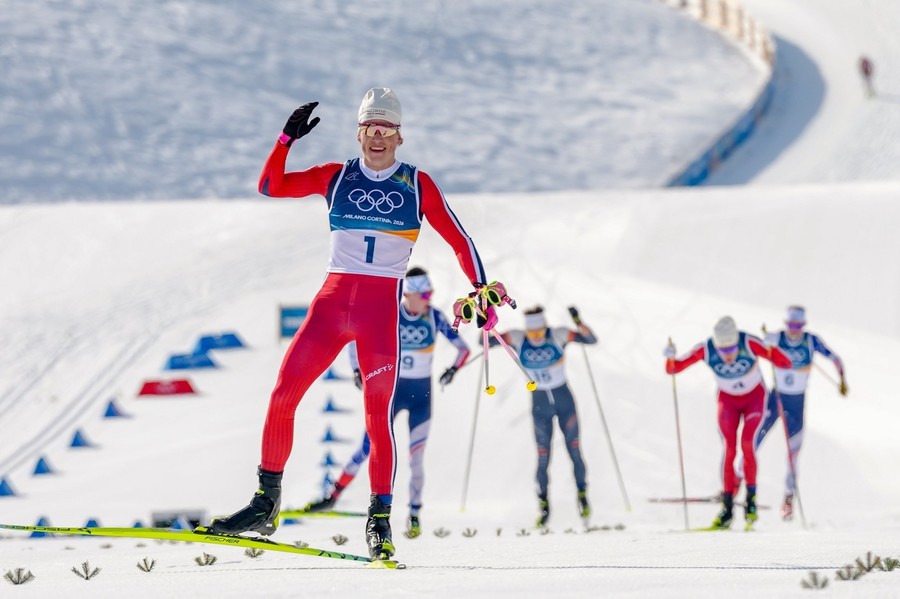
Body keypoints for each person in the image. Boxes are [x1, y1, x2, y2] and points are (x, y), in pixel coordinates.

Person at [209, 88, 498, 561]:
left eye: (386, 129)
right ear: (358, 133)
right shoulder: (336, 175)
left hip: (379, 317)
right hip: (330, 307)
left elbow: (459, 239)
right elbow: (270, 186)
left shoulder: (417, 183)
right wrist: (285, 140)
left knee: (376, 418)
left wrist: (481, 290)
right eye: (370, 128)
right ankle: (265, 504)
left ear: (400, 136)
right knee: (282, 396)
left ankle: (379, 522)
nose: (377, 137)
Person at [304, 266, 471, 538]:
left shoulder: (435, 317)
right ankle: (332, 497)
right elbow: (355, 338)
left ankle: (414, 514)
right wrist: (357, 370)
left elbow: (464, 349)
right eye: (424, 294)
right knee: (367, 448)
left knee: (416, 458)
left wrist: (452, 370)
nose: (429, 298)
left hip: (421, 398)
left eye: (430, 293)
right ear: (410, 294)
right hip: (391, 392)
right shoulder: (391, 312)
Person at [664, 316, 791, 529]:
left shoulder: (748, 342)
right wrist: (670, 357)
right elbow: (674, 369)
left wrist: (772, 348)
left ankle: (750, 502)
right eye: (722, 351)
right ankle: (727, 509)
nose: (728, 355)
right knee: (729, 449)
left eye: (731, 349)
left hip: (754, 400)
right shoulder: (706, 349)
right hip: (728, 402)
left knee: (747, 444)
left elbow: (784, 363)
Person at [491, 305, 597, 527]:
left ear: (545, 326)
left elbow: (590, 340)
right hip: (540, 405)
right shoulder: (518, 337)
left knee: (574, 450)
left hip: (564, 400)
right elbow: (487, 340)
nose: (537, 337)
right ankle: (544, 505)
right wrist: (487, 321)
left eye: (540, 331)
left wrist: (579, 322)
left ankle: (583, 497)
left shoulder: (558, 334)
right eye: (533, 333)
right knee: (542, 457)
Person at [757, 305, 847, 521]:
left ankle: (788, 498)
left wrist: (842, 379)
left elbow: (835, 358)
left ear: (803, 325)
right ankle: (737, 485)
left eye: (798, 325)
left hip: (796, 402)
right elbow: (755, 350)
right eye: (790, 325)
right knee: (754, 439)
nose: (794, 329)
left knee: (793, 452)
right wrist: (766, 344)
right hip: (776, 397)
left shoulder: (811, 341)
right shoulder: (776, 337)